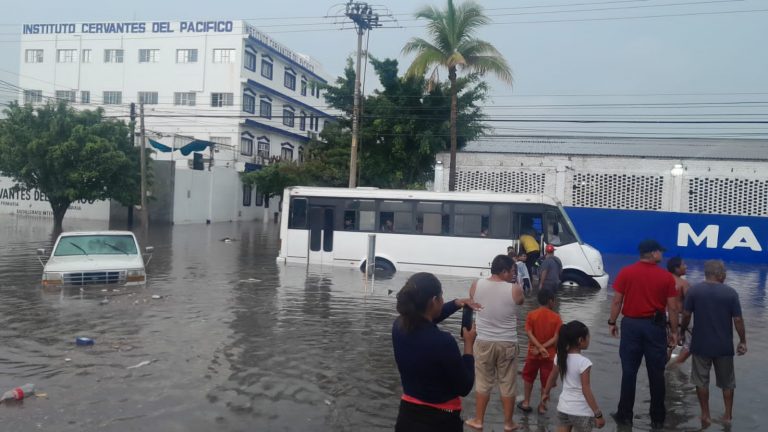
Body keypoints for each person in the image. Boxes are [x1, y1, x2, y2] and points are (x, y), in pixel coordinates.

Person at [392, 272, 480, 432]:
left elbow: (423, 320)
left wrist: (456, 303)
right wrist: (469, 344)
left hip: (407, 417)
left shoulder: (398, 327)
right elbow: (465, 386)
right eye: (441, 297)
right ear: (434, 301)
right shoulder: (443, 342)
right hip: (441, 421)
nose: (442, 300)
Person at [607, 239, 678, 430]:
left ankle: (624, 416)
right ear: (653, 253)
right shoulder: (666, 278)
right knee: (656, 373)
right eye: (660, 252)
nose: (662, 255)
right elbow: (672, 307)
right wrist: (674, 332)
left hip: (630, 326)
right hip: (655, 328)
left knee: (629, 372)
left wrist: (612, 322)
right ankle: (657, 418)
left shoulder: (626, 272)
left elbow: (616, 301)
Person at [680, 260, 747, 428]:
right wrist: (742, 341)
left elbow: (686, 315)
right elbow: (737, 319)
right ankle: (727, 415)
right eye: (724, 272)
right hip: (723, 347)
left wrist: (682, 331)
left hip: (700, 345)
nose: (725, 275)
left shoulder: (694, 291)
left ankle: (706, 415)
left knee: (701, 381)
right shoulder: (730, 293)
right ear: (720, 275)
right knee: (727, 382)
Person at [465, 255, 525, 432]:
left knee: (483, 382)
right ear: (504, 271)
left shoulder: (476, 284)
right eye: (512, 271)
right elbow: (520, 302)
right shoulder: (515, 289)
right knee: (507, 383)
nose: (514, 274)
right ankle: (508, 424)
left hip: (483, 341)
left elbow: (473, 300)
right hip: (507, 343)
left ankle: (478, 420)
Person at [540, 321, 606, 431]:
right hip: (581, 411)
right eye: (588, 337)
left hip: (564, 408)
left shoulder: (560, 357)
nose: (589, 339)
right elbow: (586, 389)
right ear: (580, 340)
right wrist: (598, 414)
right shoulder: (584, 362)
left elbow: (552, 376)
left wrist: (545, 393)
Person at [518, 289, 562, 415]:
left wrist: (538, 348)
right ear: (550, 301)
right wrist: (543, 348)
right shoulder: (556, 318)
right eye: (554, 300)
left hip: (533, 353)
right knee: (546, 381)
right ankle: (542, 406)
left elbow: (529, 333)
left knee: (528, 377)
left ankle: (526, 402)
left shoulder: (532, 314)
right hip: (549, 355)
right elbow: (555, 338)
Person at [667, 257, 691, 365]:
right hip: (678, 317)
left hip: (662, 316)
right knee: (691, 345)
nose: (686, 266)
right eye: (683, 264)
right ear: (676, 268)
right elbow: (690, 305)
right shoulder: (683, 283)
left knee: (668, 345)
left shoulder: (662, 280)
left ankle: (663, 368)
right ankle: (674, 366)